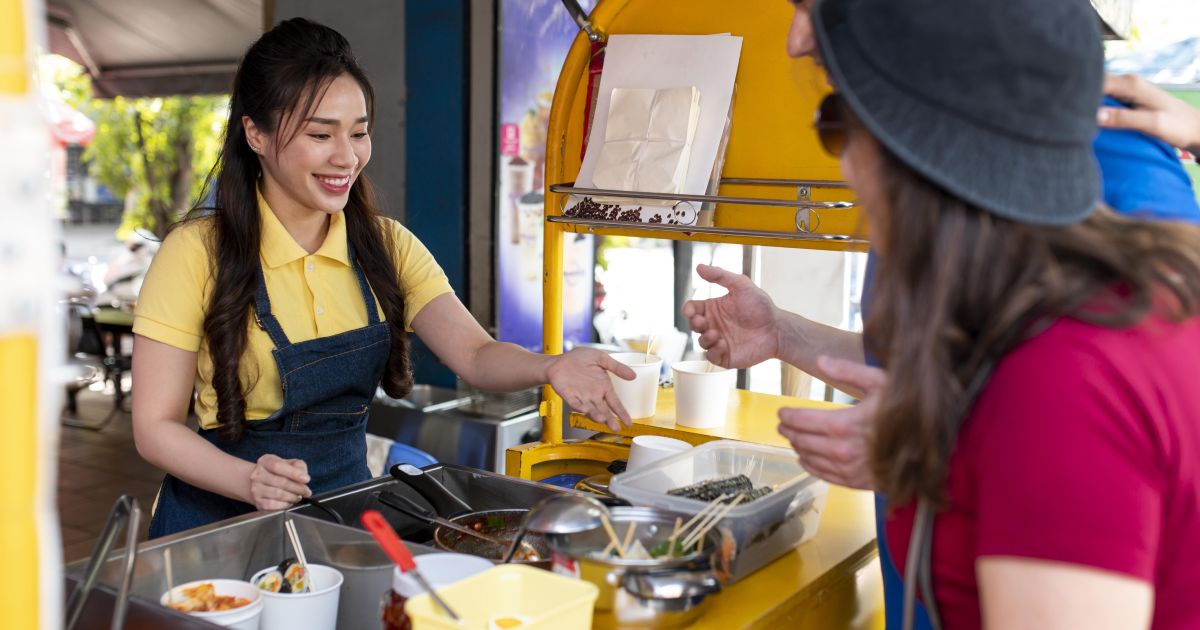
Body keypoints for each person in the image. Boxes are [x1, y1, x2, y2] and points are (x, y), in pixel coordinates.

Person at [689, 0, 1200, 627]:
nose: (844, 171)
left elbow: (1055, 434)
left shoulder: (1061, 380)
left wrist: (933, 455)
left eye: (841, 122)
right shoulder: (1040, 284)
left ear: (925, 141)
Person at [132, 18, 636, 538]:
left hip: (343, 518)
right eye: (320, 134)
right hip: (218, 526)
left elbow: (476, 355)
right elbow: (154, 427)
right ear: (255, 133)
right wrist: (247, 479)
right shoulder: (196, 253)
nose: (346, 157)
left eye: (359, 132)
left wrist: (550, 366)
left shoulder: (386, 246)